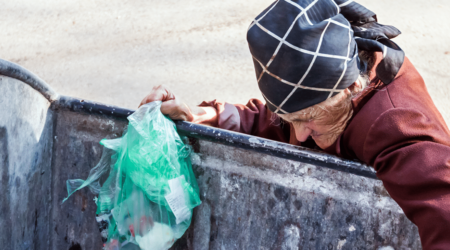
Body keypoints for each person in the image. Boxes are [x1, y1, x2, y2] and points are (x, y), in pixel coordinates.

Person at [140, 0, 450, 249]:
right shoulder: (330, 93)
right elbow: (284, 122)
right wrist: (206, 118)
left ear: (349, 89)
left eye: (307, 119)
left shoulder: (396, 125)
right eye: (291, 119)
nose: (298, 135)